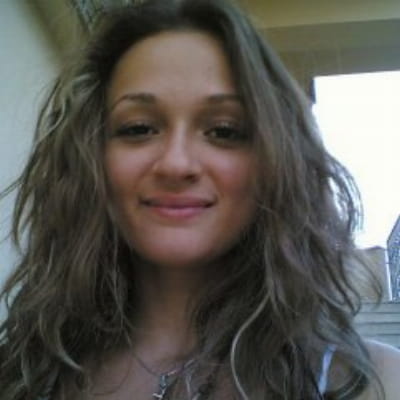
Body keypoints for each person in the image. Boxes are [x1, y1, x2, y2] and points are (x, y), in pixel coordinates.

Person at [0, 0, 399, 399]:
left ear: (275, 162)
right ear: (92, 156)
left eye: (223, 130)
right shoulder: (20, 374)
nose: (176, 163)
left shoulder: (375, 383)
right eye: (138, 128)